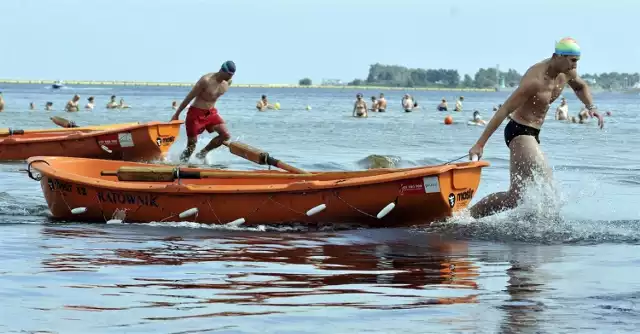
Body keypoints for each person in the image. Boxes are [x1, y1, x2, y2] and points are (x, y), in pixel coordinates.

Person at [467, 37, 604, 219]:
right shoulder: (535, 80)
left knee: (514, 198)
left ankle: (467, 217)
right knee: (549, 186)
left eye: (577, 61)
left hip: (533, 134)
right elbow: (505, 109)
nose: (575, 66)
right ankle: (548, 235)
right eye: (572, 61)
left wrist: (591, 107)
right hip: (519, 131)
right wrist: (480, 144)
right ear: (557, 56)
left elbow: (580, 87)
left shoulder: (567, 72)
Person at [171, 60, 236, 162]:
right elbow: (189, 97)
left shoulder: (227, 82)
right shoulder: (206, 80)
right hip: (195, 113)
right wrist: (177, 114)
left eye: (232, 75)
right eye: (229, 74)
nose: (230, 77)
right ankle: (180, 164)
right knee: (191, 146)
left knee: (225, 135)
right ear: (222, 70)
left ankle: (202, 154)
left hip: (211, 113)